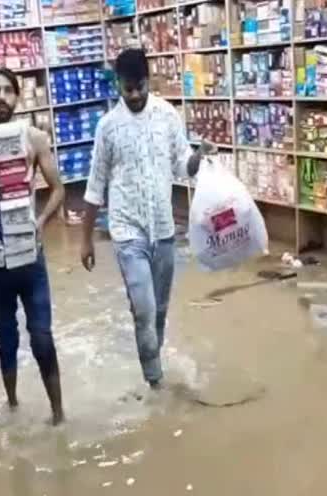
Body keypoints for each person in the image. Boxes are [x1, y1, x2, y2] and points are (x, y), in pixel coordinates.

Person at [80, 49, 214, 389]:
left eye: (140, 86)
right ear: (118, 87)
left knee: (159, 310)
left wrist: (198, 157)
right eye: (128, 89)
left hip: (164, 229)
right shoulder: (107, 127)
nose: (135, 95)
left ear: (148, 79)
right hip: (127, 231)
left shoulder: (167, 115)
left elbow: (181, 165)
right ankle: (154, 382)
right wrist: (84, 240)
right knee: (142, 307)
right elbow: (95, 184)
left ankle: (152, 359)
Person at [0, 68, 66, 424]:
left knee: (41, 335)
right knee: (4, 336)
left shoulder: (35, 138)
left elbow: (58, 188)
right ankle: (12, 405)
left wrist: (39, 224)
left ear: (17, 97)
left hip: (29, 255)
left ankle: (58, 416)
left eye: (7, 90)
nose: (0, 97)